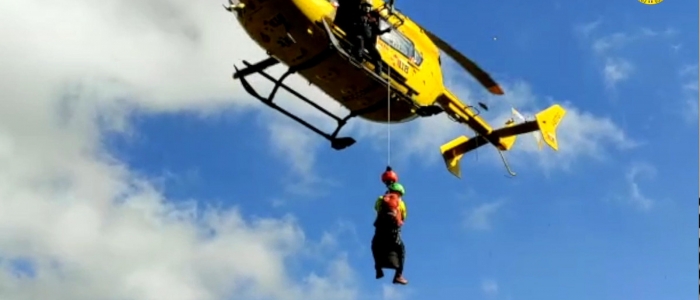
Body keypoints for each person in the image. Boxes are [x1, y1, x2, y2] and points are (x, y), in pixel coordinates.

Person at [371, 182, 408, 285]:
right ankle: (398, 275)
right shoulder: (401, 203)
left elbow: (376, 208)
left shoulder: (380, 199)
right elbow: (404, 216)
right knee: (402, 250)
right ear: (400, 193)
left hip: (380, 231)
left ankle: (378, 269)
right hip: (393, 233)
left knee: (374, 246)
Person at [351, 0, 391, 74]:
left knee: (377, 56)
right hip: (359, 36)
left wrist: (386, 30)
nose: (366, 9)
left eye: (368, 7)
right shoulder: (357, 14)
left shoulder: (372, 20)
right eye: (365, 7)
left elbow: (378, 31)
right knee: (360, 44)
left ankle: (378, 72)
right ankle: (358, 59)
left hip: (368, 41)